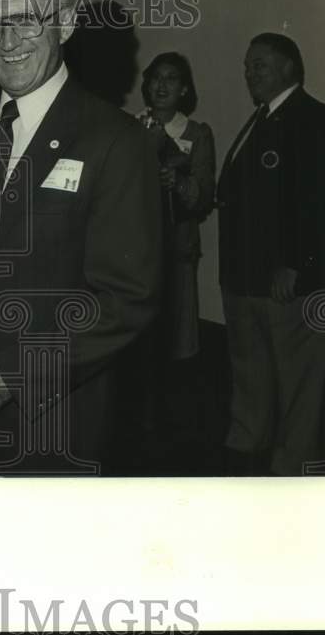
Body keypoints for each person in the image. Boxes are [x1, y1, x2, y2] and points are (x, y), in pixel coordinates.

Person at [0, 0, 162, 476]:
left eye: (24, 19)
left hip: (49, 428)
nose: (5, 40)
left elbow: (127, 299)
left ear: (66, 22)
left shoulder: (116, 141)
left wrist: (13, 373)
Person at [217, 32, 325, 476]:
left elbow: (320, 201)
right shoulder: (261, 118)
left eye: (261, 66)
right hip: (245, 280)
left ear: (290, 69)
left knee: (298, 383)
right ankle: (247, 443)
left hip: (288, 284)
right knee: (251, 373)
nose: (249, 73)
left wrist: (296, 264)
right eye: (248, 66)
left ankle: (292, 465)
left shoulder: (316, 118)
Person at [135, 53, 216, 469]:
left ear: (185, 89)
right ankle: (138, 429)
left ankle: (174, 438)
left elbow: (203, 196)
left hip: (177, 253)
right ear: (146, 85)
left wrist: (179, 182)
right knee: (137, 346)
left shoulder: (197, 133)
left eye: (173, 79)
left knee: (177, 345)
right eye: (156, 79)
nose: (163, 86)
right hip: (135, 256)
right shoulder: (130, 126)